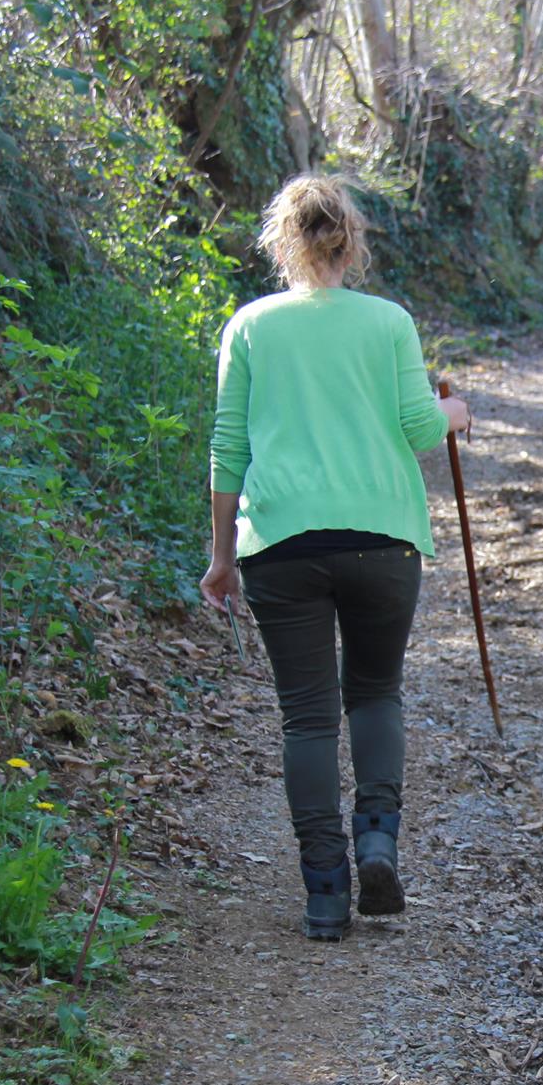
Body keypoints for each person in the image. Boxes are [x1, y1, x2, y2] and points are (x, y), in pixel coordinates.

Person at [198, 173, 471, 942]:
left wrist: (223, 558)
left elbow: (229, 447)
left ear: (282, 243)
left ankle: (324, 892)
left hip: (281, 543)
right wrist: (458, 409)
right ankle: (378, 838)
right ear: (350, 240)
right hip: (381, 537)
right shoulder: (387, 322)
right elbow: (422, 424)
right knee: (376, 692)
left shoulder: (250, 326)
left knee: (308, 718)